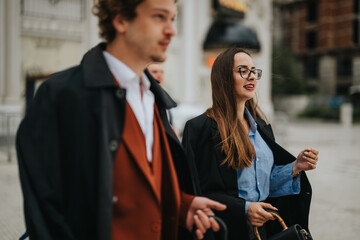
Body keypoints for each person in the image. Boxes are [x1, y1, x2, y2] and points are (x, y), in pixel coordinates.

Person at [15, 0, 226, 239]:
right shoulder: (62, 95)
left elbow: (139, 186)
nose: (171, 30)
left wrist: (181, 206)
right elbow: (45, 209)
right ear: (121, 20)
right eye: (159, 17)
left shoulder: (154, 98)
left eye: (173, 19)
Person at [182, 48, 319, 240]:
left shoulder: (262, 126)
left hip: (261, 232)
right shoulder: (200, 128)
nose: (251, 77)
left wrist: (295, 167)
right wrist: (244, 209)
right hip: (225, 232)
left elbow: (262, 185)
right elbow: (196, 191)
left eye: (254, 71)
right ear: (224, 78)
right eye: (243, 71)